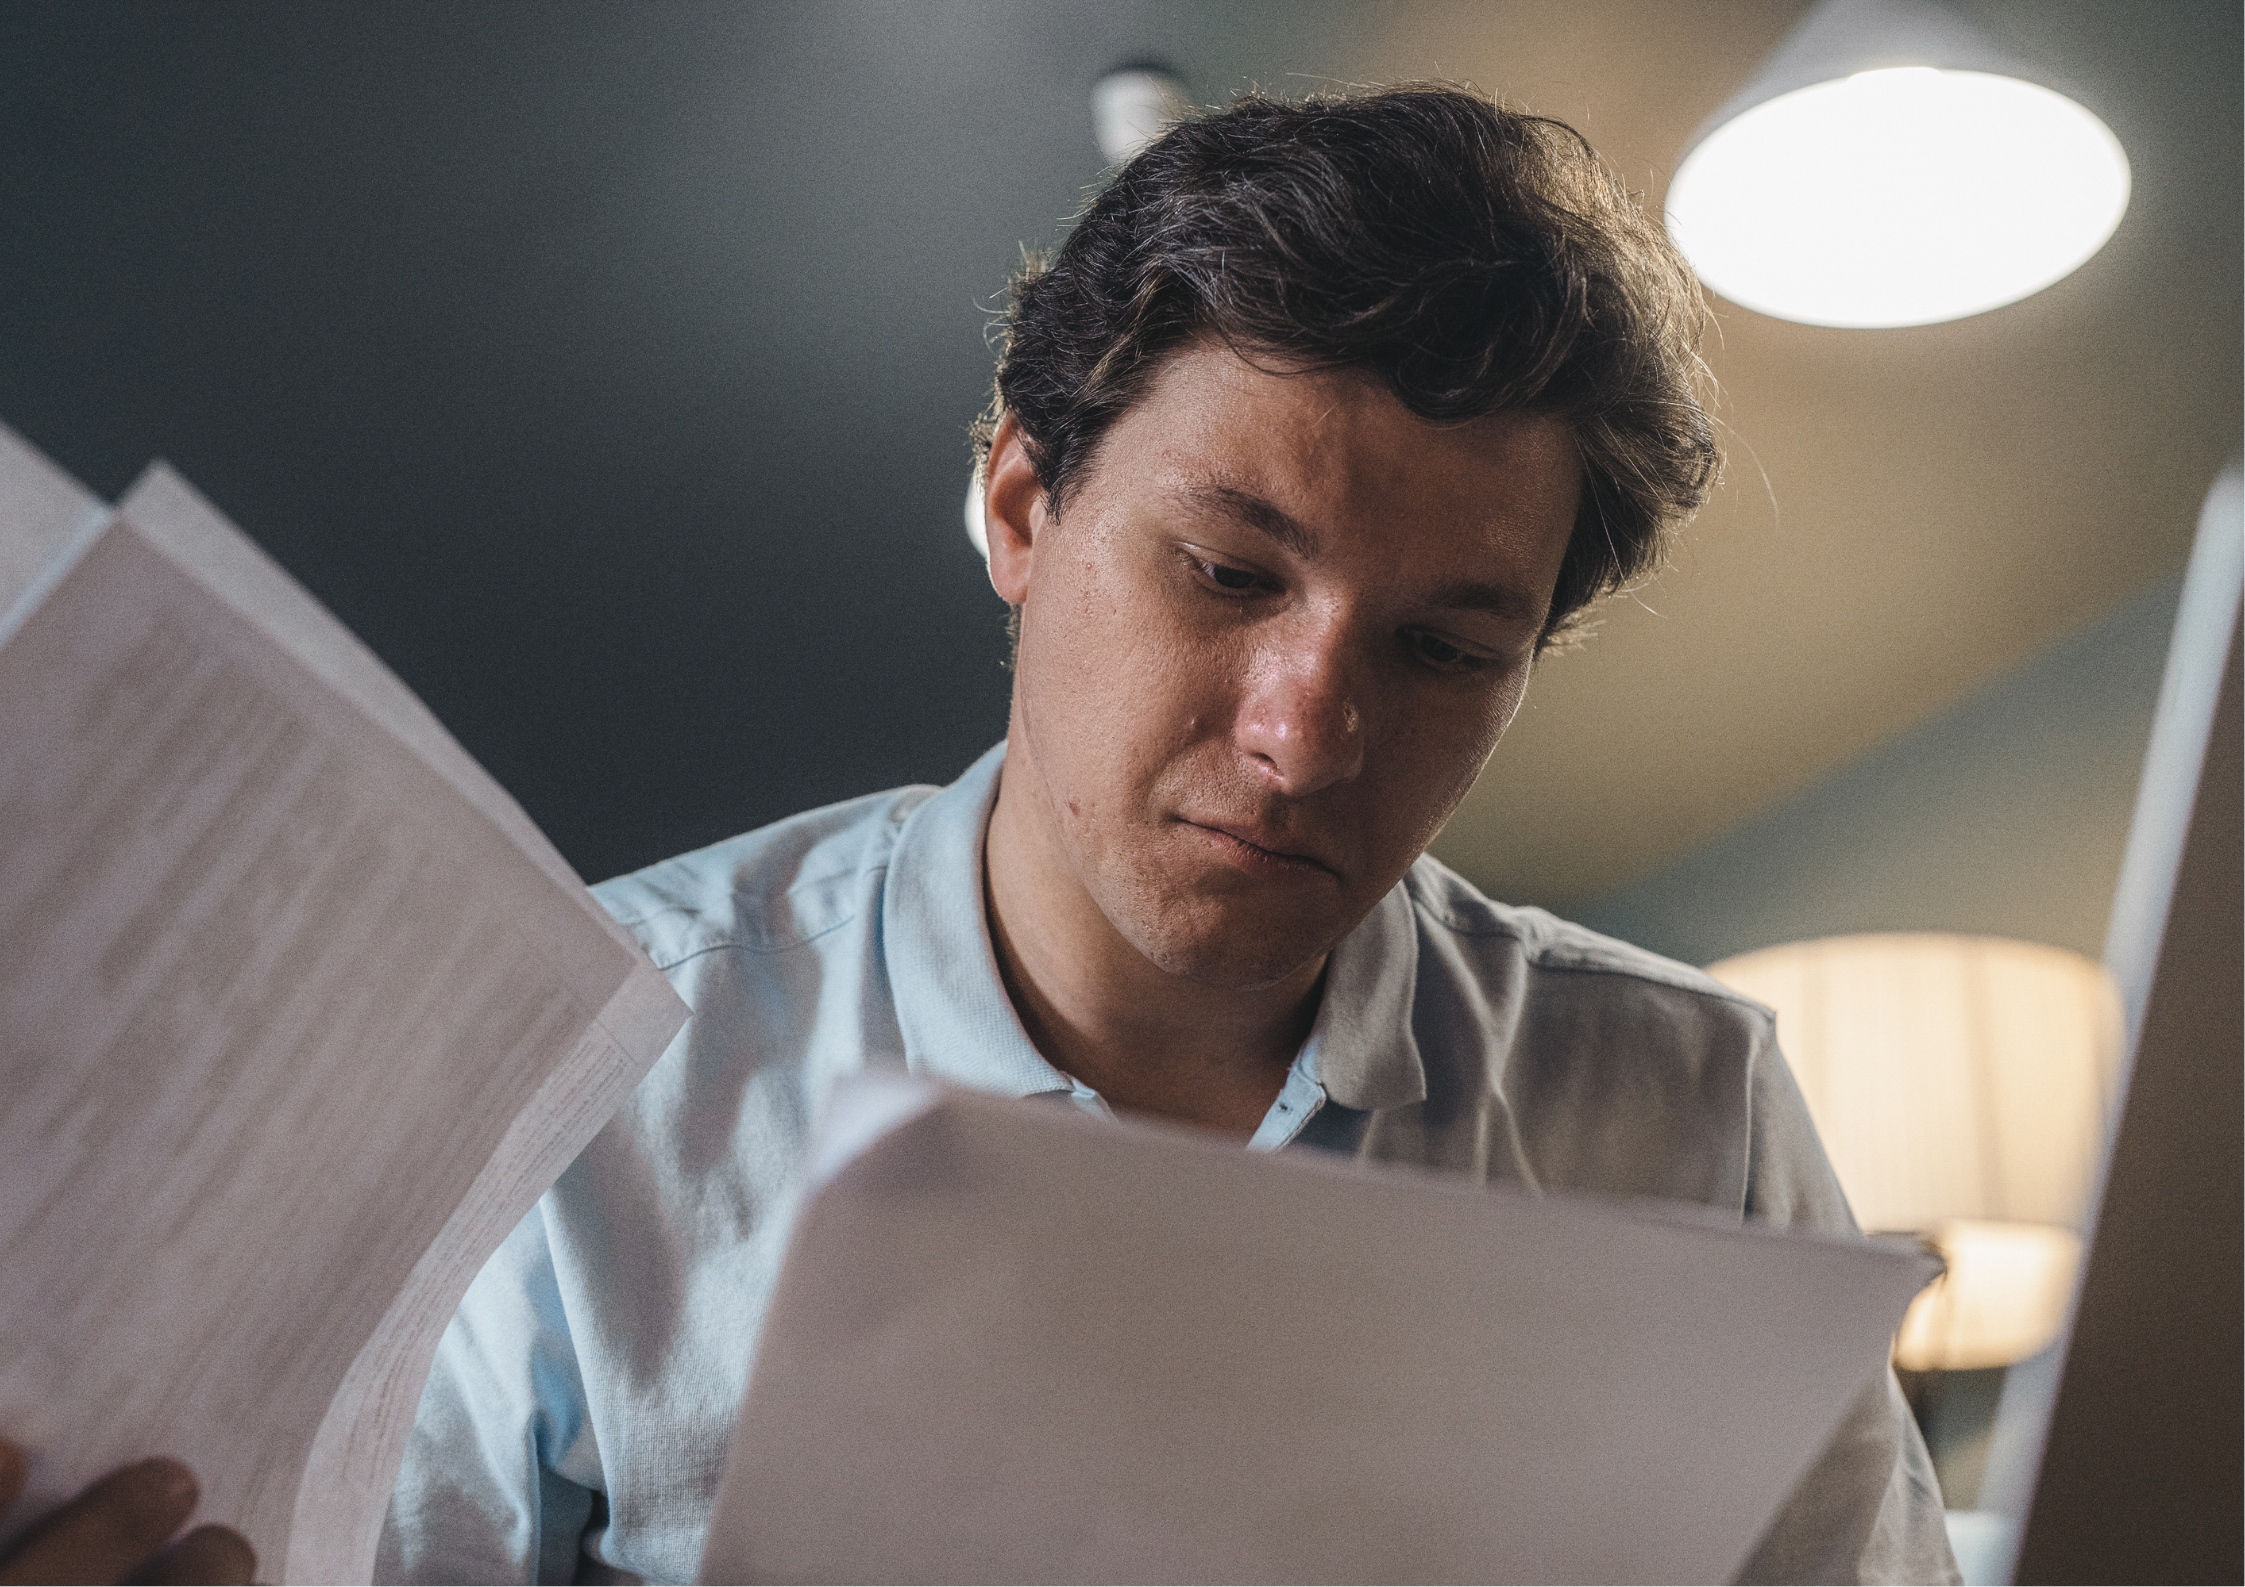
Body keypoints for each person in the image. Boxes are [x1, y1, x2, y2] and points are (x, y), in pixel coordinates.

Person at [14, 84, 1956, 1585]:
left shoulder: (1689, 1113)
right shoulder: (585, 1076)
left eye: (1446, 649)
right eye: (1226, 572)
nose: (1305, 736)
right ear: (1023, 505)